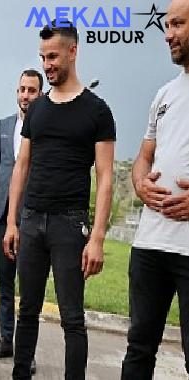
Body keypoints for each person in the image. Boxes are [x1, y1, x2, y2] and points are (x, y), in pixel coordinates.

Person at [3, 20, 116, 379]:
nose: (47, 63)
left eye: (53, 56)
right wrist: (12, 222)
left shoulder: (97, 111)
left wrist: (97, 236)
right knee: (28, 312)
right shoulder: (36, 109)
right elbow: (22, 166)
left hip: (71, 225)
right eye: (42, 57)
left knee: (72, 320)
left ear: (73, 51)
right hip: (32, 221)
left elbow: (106, 177)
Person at [121, 0, 189, 378]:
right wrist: (140, 183)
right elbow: (142, 158)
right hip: (150, 245)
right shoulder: (164, 95)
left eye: (178, 24)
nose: (168, 34)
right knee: (139, 348)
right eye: (166, 25)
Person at [0, 69, 42, 373]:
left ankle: (26, 351)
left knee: (28, 286)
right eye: (22, 89)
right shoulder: (5, 126)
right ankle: (7, 339)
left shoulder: (44, 127)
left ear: (40, 94)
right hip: (3, 214)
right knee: (5, 280)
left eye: (31, 90)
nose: (25, 95)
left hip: (31, 218)